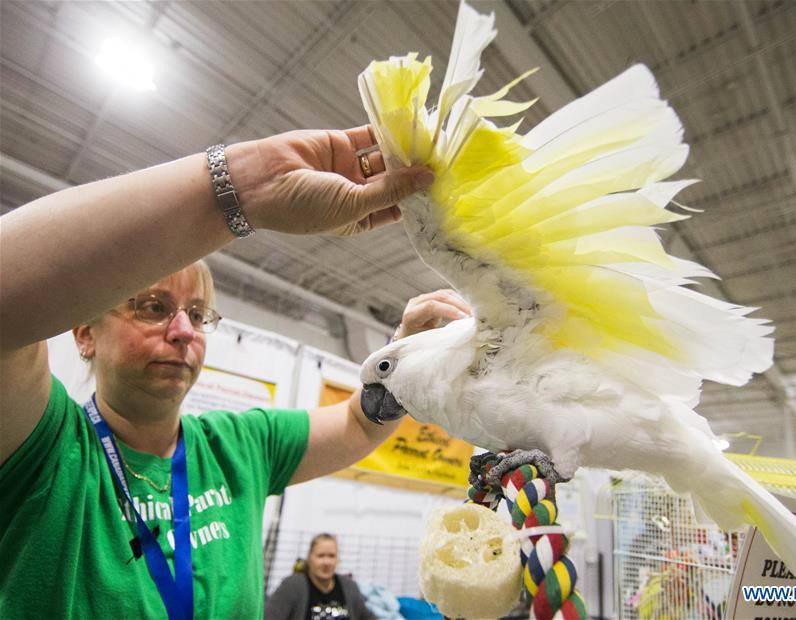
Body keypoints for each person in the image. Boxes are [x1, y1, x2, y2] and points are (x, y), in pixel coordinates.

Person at [0, 127, 472, 618]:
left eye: (199, 314)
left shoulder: (238, 446)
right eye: (153, 306)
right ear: (84, 333)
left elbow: (358, 421)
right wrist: (246, 188)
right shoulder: (44, 447)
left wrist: (404, 356)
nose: (184, 330)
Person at [265, 533, 375, 620]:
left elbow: (367, 616)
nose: (326, 562)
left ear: (337, 559)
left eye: (331, 556)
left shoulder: (349, 586)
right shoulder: (292, 586)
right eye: (321, 556)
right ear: (309, 558)